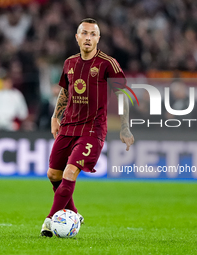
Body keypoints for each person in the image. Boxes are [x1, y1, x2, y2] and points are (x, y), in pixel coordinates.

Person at [40, 18, 134, 237]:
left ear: (98, 39)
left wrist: (125, 127)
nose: (88, 38)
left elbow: (124, 95)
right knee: (53, 174)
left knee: (71, 171)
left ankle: (49, 220)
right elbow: (65, 92)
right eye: (84, 33)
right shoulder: (69, 63)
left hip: (93, 129)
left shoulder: (107, 63)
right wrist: (56, 116)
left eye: (93, 34)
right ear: (77, 37)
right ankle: (73, 213)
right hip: (68, 126)